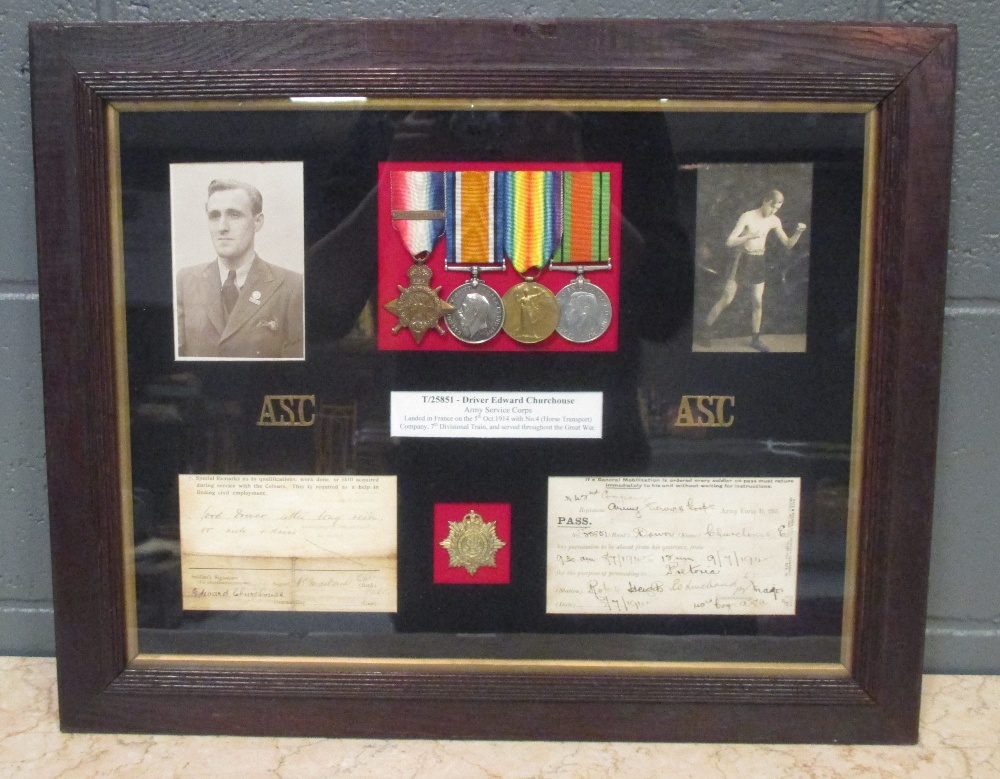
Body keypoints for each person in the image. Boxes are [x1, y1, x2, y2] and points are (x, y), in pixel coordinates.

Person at [176, 179, 304, 359]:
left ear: (257, 222)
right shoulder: (184, 281)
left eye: (234, 215)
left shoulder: (293, 287)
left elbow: (293, 370)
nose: (222, 227)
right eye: (214, 216)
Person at [700, 189, 806, 352]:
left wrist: (798, 232)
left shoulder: (774, 220)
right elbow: (729, 241)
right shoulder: (747, 216)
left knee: (757, 300)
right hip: (742, 259)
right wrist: (748, 236)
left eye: (777, 209)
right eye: (772, 207)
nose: (774, 211)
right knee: (727, 299)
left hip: (758, 260)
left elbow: (788, 244)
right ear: (765, 201)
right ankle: (704, 331)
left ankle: (755, 339)